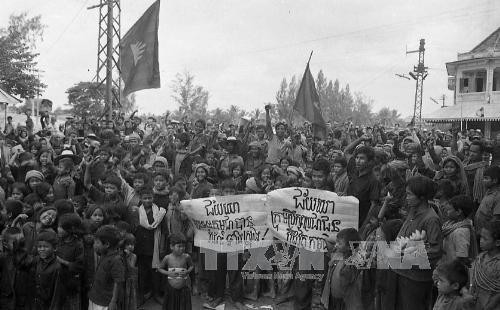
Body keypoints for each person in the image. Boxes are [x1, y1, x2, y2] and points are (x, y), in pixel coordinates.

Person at [321, 228, 363, 310]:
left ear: (349, 247)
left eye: (339, 243)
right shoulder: (337, 253)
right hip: (333, 299)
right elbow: (328, 240)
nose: (336, 245)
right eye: (336, 242)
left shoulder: (353, 261)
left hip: (346, 302)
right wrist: (339, 239)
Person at [88, 225, 125, 310]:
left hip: (105, 303)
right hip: (95, 297)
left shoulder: (116, 260)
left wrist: (113, 301)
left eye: (97, 243)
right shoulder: (104, 254)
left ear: (107, 244)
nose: (94, 245)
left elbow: (118, 282)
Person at [469, 219, 500, 310]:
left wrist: (491, 305)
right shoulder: (480, 258)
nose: (481, 241)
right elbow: (474, 279)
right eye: (481, 237)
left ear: (497, 242)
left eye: (485, 239)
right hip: (477, 303)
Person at [158, 233, 194, 310]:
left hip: (184, 289)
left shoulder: (186, 257)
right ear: (171, 246)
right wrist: (168, 273)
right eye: (179, 246)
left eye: (183, 246)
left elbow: (192, 266)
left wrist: (187, 271)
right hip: (171, 289)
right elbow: (159, 268)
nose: (182, 248)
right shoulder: (167, 258)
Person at [441, 195, 477, 264]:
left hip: (454, 269)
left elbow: (462, 257)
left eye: (449, 210)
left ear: (458, 212)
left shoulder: (461, 232)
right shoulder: (450, 225)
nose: (446, 212)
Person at [35, 230, 63, 310]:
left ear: (54, 248)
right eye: (39, 247)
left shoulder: (57, 268)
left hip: (48, 305)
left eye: (46, 247)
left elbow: (57, 296)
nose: (42, 249)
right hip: (38, 304)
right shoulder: (37, 261)